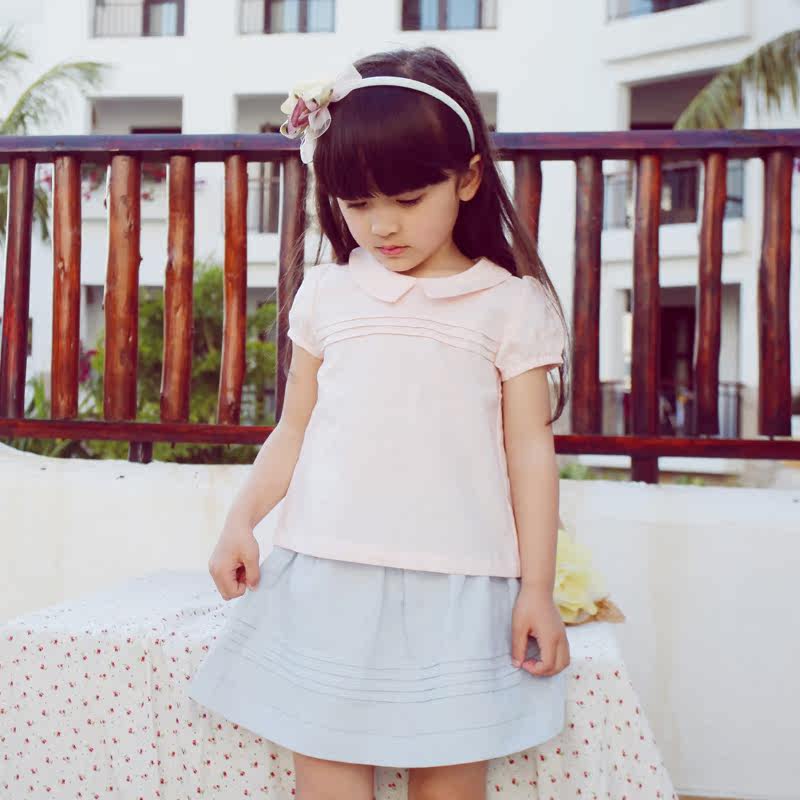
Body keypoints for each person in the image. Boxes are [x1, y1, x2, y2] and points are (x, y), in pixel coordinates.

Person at [187, 45, 573, 800]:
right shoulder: (327, 296)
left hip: (462, 584)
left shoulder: (509, 306)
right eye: (358, 204)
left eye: (407, 198)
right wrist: (240, 520)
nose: (382, 225)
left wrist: (538, 588)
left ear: (467, 178)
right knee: (327, 779)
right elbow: (294, 429)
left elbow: (530, 452)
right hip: (327, 575)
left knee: (449, 783)